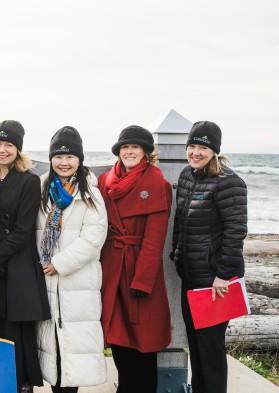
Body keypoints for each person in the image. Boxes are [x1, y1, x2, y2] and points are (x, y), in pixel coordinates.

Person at [172, 121, 247, 393]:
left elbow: (235, 232)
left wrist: (223, 275)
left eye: (202, 147)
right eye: (191, 146)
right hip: (190, 275)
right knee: (196, 345)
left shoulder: (230, 183)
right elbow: (180, 221)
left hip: (215, 281)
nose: (195, 152)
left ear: (214, 150)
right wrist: (176, 254)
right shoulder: (187, 175)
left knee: (211, 350)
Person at [97, 126, 172, 393]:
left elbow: (155, 239)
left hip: (140, 273)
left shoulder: (157, 183)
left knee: (144, 342)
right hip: (112, 268)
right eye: (124, 147)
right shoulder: (105, 180)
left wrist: (142, 280)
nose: (128, 151)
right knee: (117, 337)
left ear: (146, 153)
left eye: (135, 148)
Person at [0, 120, 49, 393]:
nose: (2, 149)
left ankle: (22, 385)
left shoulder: (29, 181)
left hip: (17, 267)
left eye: (8, 144)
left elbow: (23, 230)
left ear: (18, 149)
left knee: (16, 335)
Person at [36, 126, 108, 392]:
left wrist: (61, 263)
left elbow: (94, 238)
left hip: (77, 283)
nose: (64, 162)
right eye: (58, 156)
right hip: (46, 281)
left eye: (70, 157)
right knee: (53, 350)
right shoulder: (42, 190)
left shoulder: (90, 194)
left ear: (79, 160)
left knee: (73, 355)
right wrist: (42, 262)